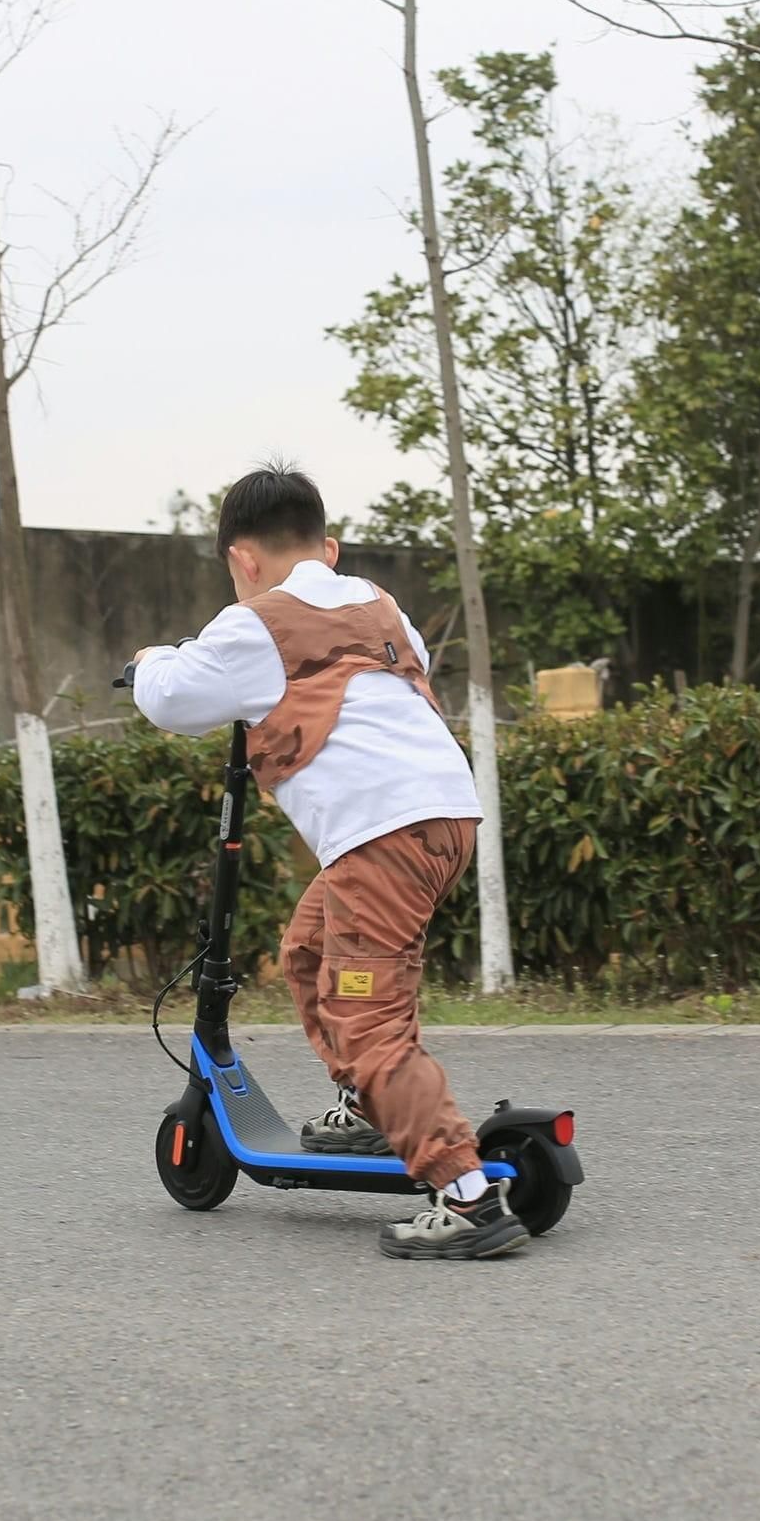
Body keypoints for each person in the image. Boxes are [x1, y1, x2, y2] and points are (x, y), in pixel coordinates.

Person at [124, 465, 524, 1259]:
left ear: (241, 559)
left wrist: (150, 659)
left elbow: (171, 699)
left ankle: (466, 1194)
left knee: (366, 1020)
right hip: (446, 817)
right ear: (328, 549)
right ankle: (370, 1107)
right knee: (309, 949)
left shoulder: (255, 624)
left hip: (383, 836)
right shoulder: (377, 602)